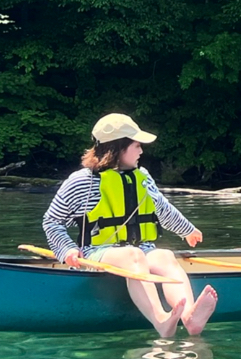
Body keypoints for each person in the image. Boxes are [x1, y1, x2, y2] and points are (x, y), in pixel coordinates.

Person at [43, 113, 218, 337]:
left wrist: (188, 230)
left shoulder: (142, 176)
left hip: (141, 249)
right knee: (132, 255)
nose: (141, 152)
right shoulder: (82, 182)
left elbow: (162, 209)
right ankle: (162, 320)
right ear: (117, 148)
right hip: (96, 252)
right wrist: (66, 249)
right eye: (136, 145)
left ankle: (189, 317)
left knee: (164, 255)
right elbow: (52, 221)